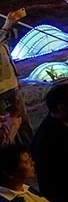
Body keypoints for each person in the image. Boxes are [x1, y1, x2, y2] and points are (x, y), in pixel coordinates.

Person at [0, 9, 33, 147]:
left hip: (11, 84)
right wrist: (7, 24)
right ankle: (12, 155)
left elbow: (8, 37)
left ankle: (30, 152)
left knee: (22, 122)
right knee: (6, 128)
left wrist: (12, 25)